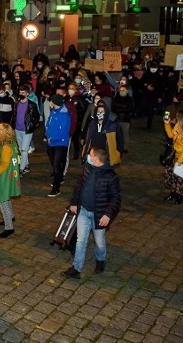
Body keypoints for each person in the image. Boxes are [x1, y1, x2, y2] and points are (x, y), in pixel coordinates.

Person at [62, 147, 121, 279]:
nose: (88, 156)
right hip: (83, 211)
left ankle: (100, 260)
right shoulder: (87, 169)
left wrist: (108, 215)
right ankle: (76, 268)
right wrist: (74, 202)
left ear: (96, 158)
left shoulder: (110, 176)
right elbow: (79, 187)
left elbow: (116, 198)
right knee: (80, 240)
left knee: (99, 242)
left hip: (98, 215)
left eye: (90, 154)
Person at [0, 123, 22, 238]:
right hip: (9, 177)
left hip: (3, 178)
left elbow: (5, 165)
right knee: (6, 198)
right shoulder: (11, 144)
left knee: (2, 200)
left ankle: (9, 227)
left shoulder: (5, 148)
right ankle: (10, 216)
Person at [45, 91, 76, 197]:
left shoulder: (64, 114)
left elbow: (63, 131)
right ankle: (59, 178)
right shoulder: (54, 110)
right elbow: (49, 123)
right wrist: (47, 135)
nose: (50, 103)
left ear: (55, 102)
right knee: (54, 163)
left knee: (57, 165)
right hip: (51, 142)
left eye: (52, 101)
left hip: (60, 143)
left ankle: (56, 188)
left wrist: (52, 138)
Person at [163, 110, 183, 205]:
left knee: (180, 178)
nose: (176, 118)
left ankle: (180, 196)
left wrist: (180, 161)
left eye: (177, 117)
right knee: (172, 175)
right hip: (176, 155)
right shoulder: (178, 125)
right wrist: (167, 124)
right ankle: (173, 193)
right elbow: (170, 135)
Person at [12, 83, 41, 175]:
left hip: (27, 130)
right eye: (20, 92)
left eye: (23, 92)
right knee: (21, 149)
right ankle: (26, 165)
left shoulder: (32, 105)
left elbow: (37, 117)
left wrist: (32, 126)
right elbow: (14, 116)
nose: (21, 94)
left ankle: (21, 168)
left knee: (24, 150)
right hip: (17, 129)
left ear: (28, 93)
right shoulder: (16, 104)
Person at [111, 84, 134, 153]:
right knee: (117, 134)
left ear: (126, 91)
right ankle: (117, 146)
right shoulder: (116, 98)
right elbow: (113, 108)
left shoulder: (129, 99)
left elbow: (130, 109)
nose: (122, 91)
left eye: (123, 90)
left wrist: (120, 109)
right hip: (117, 119)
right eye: (120, 90)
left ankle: (125, 147)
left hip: (125, 119)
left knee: (125, 134)